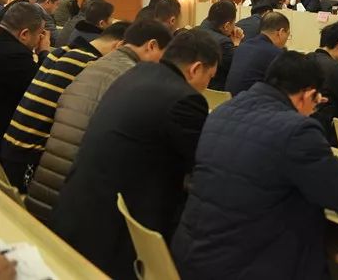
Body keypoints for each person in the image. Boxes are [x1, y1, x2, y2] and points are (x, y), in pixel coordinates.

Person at [171, 51, 338, 280]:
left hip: (192, 260)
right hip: (245, 267)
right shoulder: (296, 131)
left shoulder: (223, 111)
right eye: (316, 104)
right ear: (308, 95)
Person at [50, 29, 220, 279]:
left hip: (77, 210)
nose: (207, 86)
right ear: (195, 69)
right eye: (210, 77)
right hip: (113, 234)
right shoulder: (185, 99)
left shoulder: (136, 72)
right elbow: (201, 164)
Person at [25, 20, 173, 223]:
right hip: (71, 201)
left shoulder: (96, 64)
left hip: (43, 189)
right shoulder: (132, 76)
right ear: (152, 45)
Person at [0, 21, 129, 192]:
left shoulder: (61, 52)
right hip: (30, 159)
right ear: (119, 46)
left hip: (11, 149)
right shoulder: (92, 66)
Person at [0, 3, 50, 139]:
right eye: (40, 34)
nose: (40, 39)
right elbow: (43, 89)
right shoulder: (17, 58)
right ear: (24, 34)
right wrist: (44, 53)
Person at [225, 12, 290, 95]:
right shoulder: (276, 54)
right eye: (288, 34)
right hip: (250, 101)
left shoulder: (243, 46)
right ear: (281, 32)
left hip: (229, 100)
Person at [198, 0, 243, 90]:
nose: (234, 27)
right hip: (217, 92)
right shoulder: (224, 43)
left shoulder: (197, 30)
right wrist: (236, 43)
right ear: (226, 26)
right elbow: (236, 68)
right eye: (234, 24)